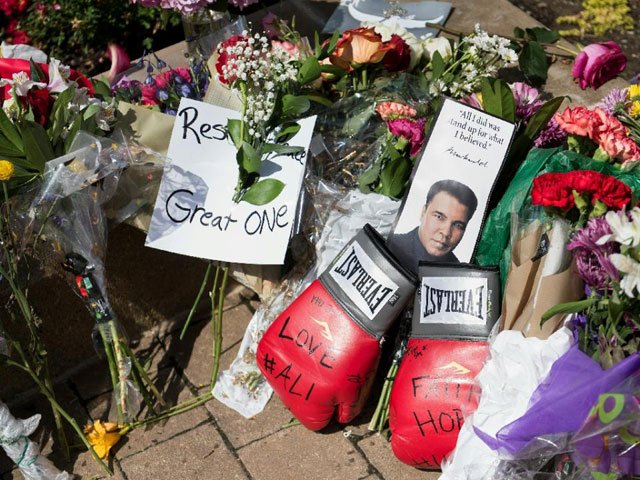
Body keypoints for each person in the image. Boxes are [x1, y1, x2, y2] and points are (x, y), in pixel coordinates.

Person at [390, 179, 478, 273]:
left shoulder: (458, 275)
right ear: (423, 212)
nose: (446, 232)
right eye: (439, 217)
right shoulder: (391, 246)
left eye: (458, 225)